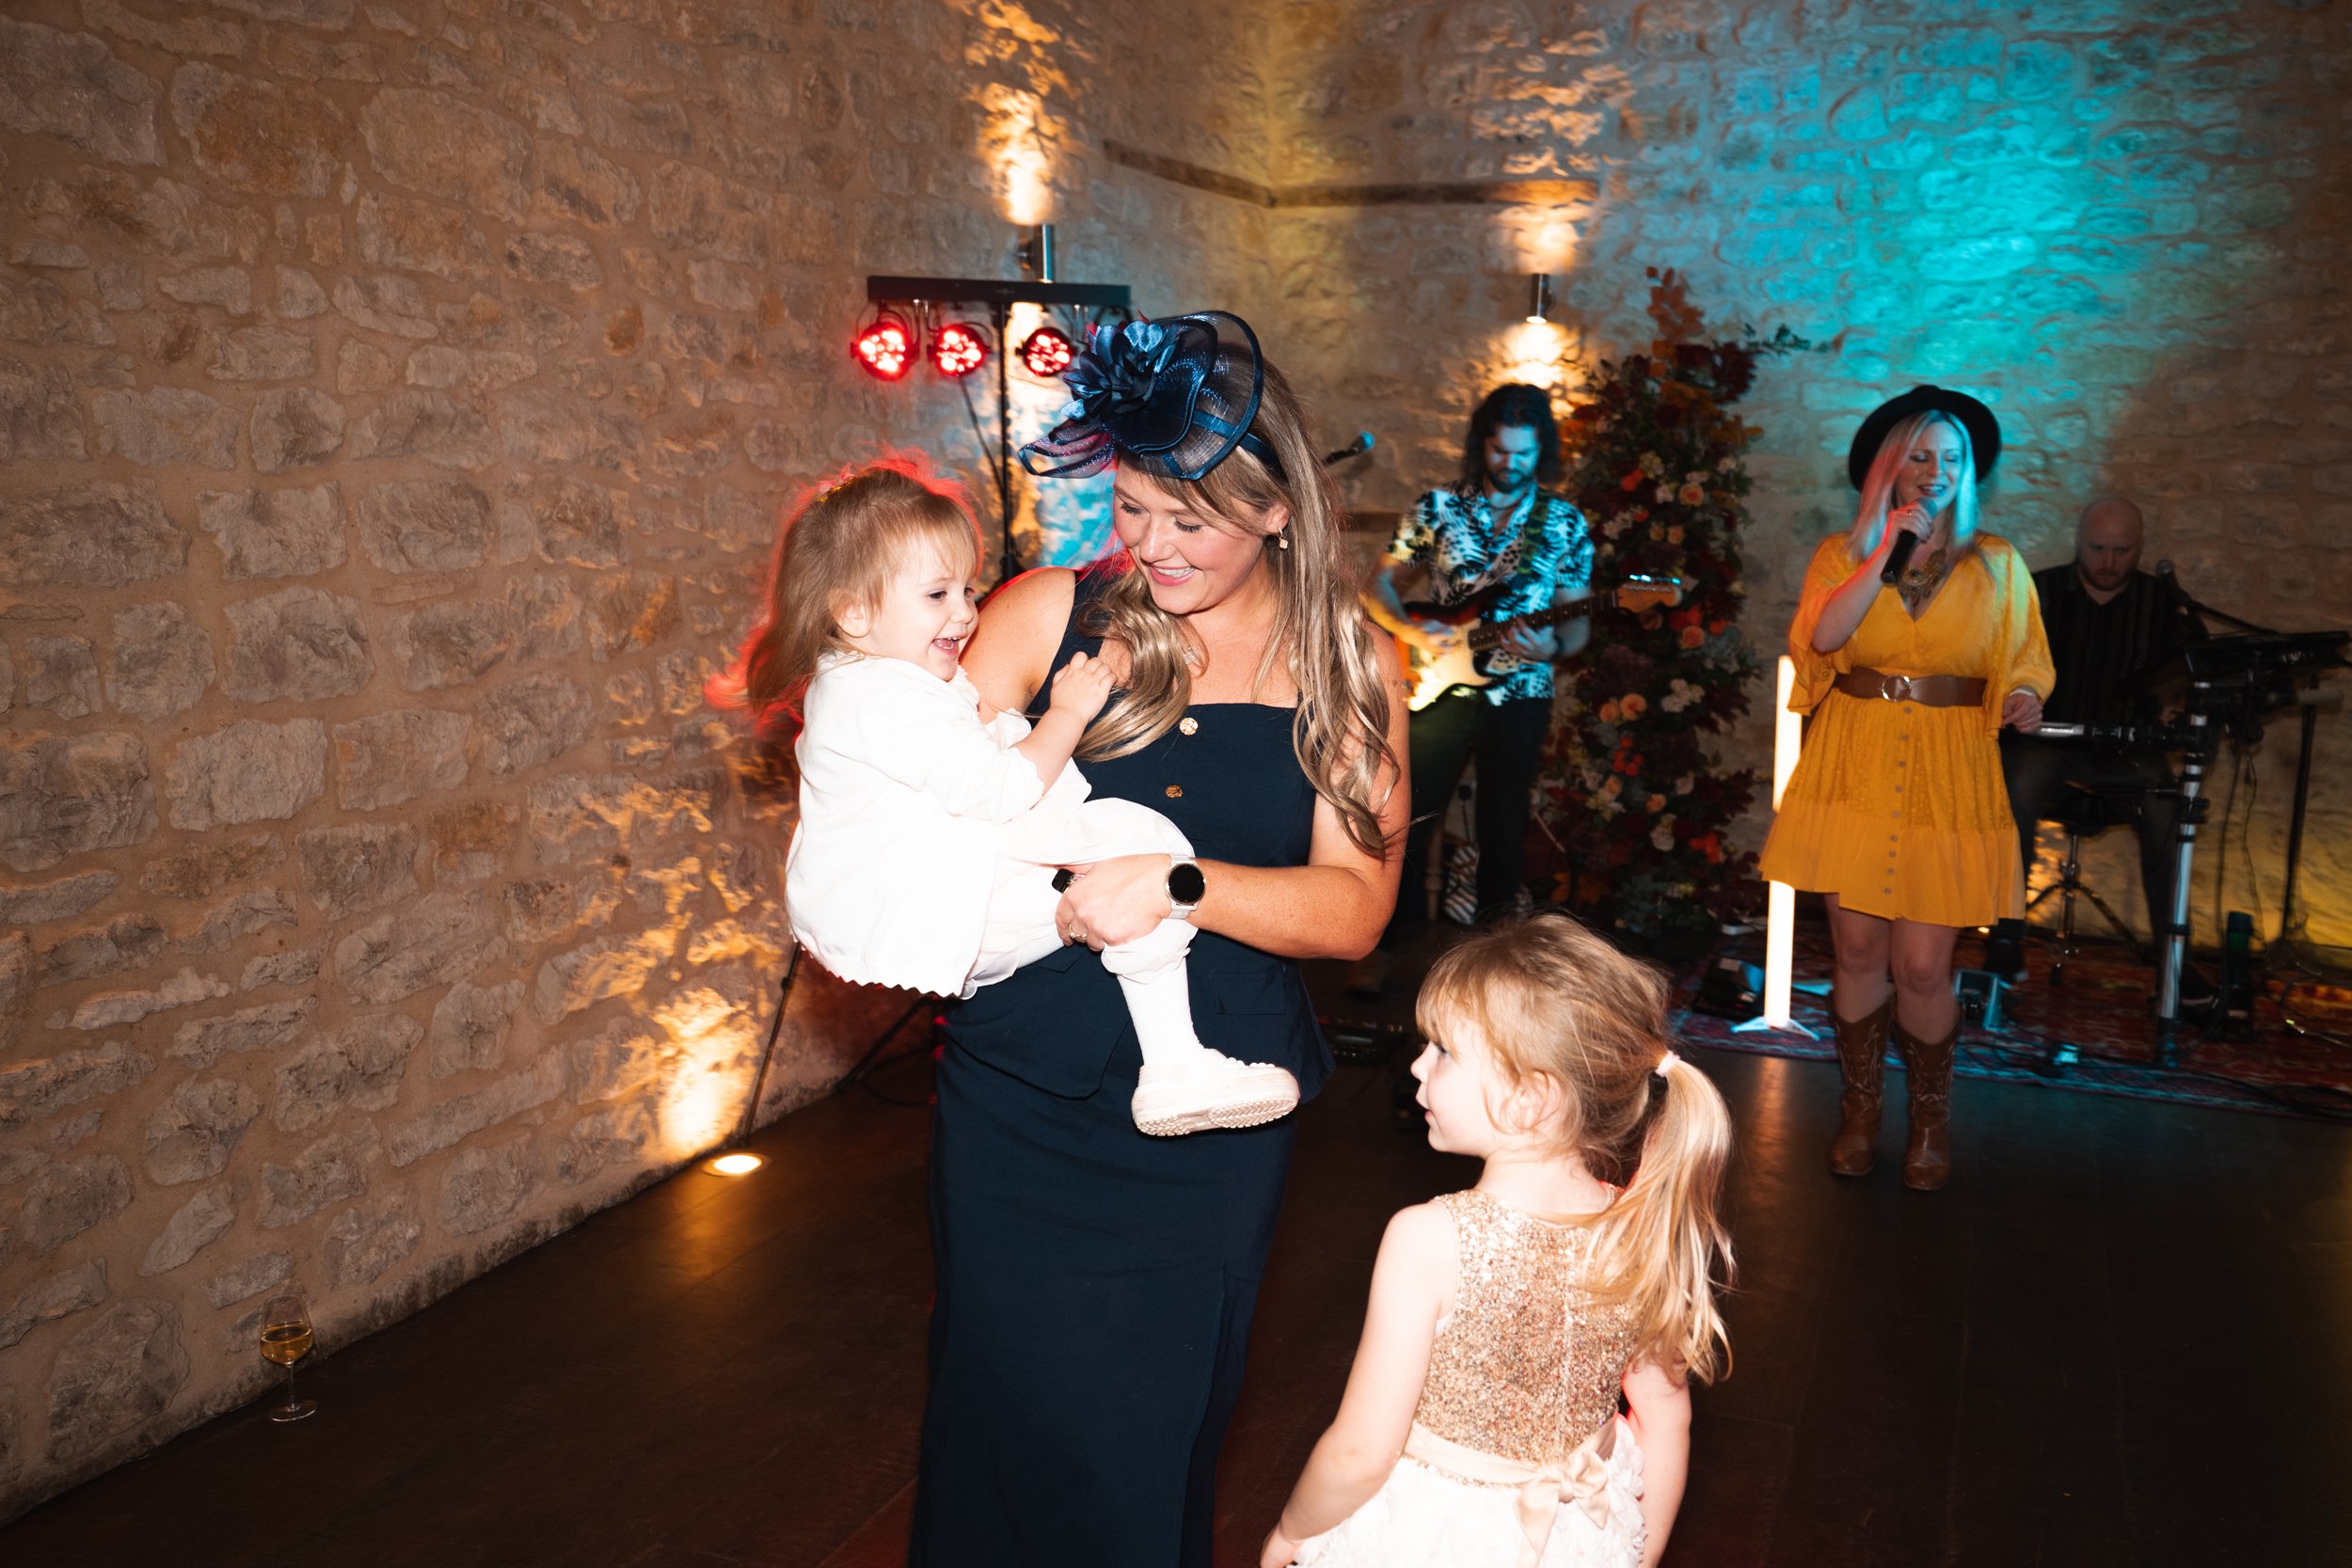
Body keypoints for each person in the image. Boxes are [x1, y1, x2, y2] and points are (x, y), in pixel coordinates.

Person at [909, 312, 1411, 1566]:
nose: (1153, 547)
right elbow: (930, 810)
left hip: (1213, 1108)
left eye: (1194, 521)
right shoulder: (1046, 611)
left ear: (1281, 513)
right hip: (1017, 1091)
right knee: (1001, 1407)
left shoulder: (1355, 669)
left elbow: (1353, 909)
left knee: (1146, 1425)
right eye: (1134, 509)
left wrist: (1178, 880)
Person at [712, 459, 1300, 1134]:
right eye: (937, 595)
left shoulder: (875, 679)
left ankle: (1173, 1063)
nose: (966, 614)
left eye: (967, 588)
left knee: (1135, 844)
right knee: (1142, 844)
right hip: (956, 906)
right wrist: (1069, 712)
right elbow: (1000, 788)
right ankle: (1175, 1065)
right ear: (851, 610)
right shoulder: (881, 697)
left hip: (960, 889)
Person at [1262, 913, 1732, 1568]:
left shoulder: (1427, 1238)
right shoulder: (1637, 1226)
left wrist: (1290, 1529)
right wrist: (1638, 1552)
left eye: (1446, 1050)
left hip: (1432, 1536)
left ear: (1530, 1097)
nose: (1419, 1065)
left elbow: (1362, 1449)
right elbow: (1666, 1417)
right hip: (1580, 1535)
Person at [1757, 386, 2053, 1191]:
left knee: (1923, 964)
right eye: (1919, 456)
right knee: (1856, 949)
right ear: (1888, 470)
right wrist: (1885, 547)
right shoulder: (1841, 555)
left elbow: (2024, 658)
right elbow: (1820, 637)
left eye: (1951, 459)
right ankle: (1859, 1113)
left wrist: (2024, 695)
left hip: (1949, 771)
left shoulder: (1998, 562)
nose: (1936, 472)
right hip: (1854, 761)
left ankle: (1930, 1121)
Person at [1348, 385, 1594, 998]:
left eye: (1524, 453)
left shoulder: (1563, 523)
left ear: (1543, 451)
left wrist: (1557, 648)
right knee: (1411, 813)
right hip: (1439, 684)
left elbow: (1578, 617)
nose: (1511, 463)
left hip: (1523, 688)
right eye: (1501, 449)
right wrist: (1410, 629)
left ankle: (1495, 965)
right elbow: (1377, 582)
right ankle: (1387, 947)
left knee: (1505, 822)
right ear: (1481, 443)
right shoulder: (1436, 507)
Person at [1983, 496, 2198, 985]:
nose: (2107, 562)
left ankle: (2173, 960)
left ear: (2139, 549)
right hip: (2047, 743)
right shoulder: (2040, 592)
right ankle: (2005, 936)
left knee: (2167, 803)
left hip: (2128, 751)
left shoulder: (2162, 605)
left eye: (2121, 551)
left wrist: (2175, 705)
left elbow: (2180, 679)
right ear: (2078, 542)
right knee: (2017, 782)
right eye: (2098, 548)